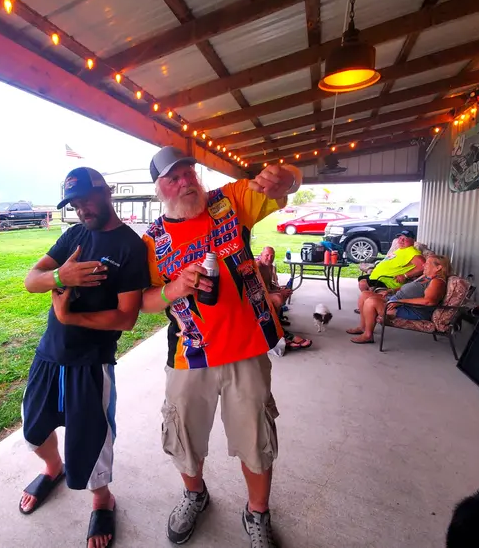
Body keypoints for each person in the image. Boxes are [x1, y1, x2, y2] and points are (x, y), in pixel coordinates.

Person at [141, 146, 303, 548]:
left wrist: (290, 177)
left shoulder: (228, 203)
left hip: (246, 349)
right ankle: (195, 495)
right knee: (184, 436)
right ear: (159, 189)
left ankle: (258, 512)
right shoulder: (151, 242)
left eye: (188, 173)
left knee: (257, 439)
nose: (184, 182)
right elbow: (144, 301)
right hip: (189, 354)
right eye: (172, 178)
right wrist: (175, 287)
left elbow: (286, 184)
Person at [20, 167, 150, 548]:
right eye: (74, 204)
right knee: (34, 429)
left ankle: (102, 500)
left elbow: (127, 318)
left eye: (87, 199)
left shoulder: (130, 246)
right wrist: (61, 277)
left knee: (92, 442)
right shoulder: (74, 235)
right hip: (49, 355)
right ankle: (52, 469)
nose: (82, 209)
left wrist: (70, 315)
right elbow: (31, 280)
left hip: (91, 363)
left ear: (107, 192)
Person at [349, 255, 450, 344]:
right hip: (397, 301)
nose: (424, 265)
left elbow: (429, 301)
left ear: (438, 267)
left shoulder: (437, 282)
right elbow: (407, 287)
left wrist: (400, 301)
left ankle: (368, 335)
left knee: (371, 302)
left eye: (427, 263)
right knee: (365, 294)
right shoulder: (426, 277)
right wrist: (391, 291)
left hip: (412, 310)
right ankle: (363, 327)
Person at [256, 246, 312, 350]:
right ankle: (277, 327)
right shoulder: (258, 267)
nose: (269, 258)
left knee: (286, 292)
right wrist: (278, 292)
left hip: (267, 292)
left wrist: (279, 288)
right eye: (267, 255)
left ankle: (277, 319)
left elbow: (269, 285)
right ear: (261, 255)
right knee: (278, 297)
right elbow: (261, 290)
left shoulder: (270, 266)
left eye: (272, 256)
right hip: (259, 295)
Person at [357, 230, 425, 294]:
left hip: (388, 281)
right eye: (400, 238)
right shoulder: (401, 249)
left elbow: (423, 266)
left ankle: (370, 302)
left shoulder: (412, 252)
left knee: (363, 283)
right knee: (361, 279)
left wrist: (405, 275)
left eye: (405, 238)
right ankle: (368, 302)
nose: (401, 240)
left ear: (413, 240)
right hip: (379, 277)